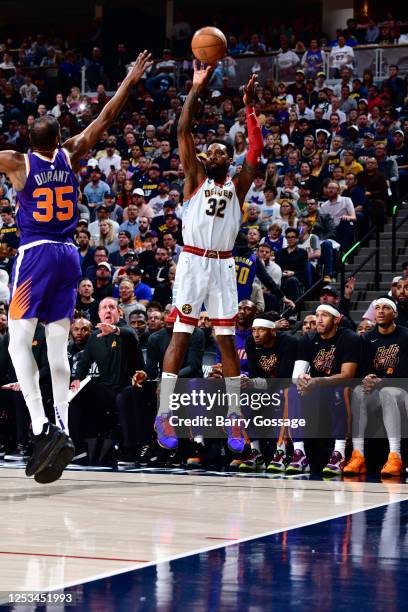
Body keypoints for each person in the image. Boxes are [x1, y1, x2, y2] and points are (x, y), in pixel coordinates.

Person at [0, 50, 152, 484]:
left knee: (18, 343)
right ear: (59, 136)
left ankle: (38, 426)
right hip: (70, 255)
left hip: (37, 253)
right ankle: (63, 425)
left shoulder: (18, 162)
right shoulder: (71, 152)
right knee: (57, 345)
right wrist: (129, 80)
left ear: (30, 140)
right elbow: (106, 116)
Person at [155, 65, 263, 454]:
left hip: (223, 266)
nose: (215, 152)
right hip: (193, 262)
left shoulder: (238, 184)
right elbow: (183, 130)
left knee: (227, 344)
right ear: (203, 156)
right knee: (181, 337)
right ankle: (164, 413)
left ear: (229, 159)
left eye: (222, 150)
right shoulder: (194, 178)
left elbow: (255, 151)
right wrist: (196, 89)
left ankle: (235, 418)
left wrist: (249, 109)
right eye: (211, 149)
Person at [289, 303, 360, 475]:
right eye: (317, 315)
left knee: (338, 391)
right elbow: (296, 375)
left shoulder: (349, 338)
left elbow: (347, 375)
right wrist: (303, 380)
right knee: (292, 392)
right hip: (317, 387)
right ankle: (299, 453)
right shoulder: (308, 339)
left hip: (341, 387)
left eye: (325, 315)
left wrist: (316, 381)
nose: (319, 319)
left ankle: (339, 452)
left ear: (337, 319)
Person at [344, 298, 408, 477]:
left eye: (386, 308)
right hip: (376, 390)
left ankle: (395, 456)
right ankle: (358, 456)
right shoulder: (367, 338)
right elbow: (362, 369)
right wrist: (367, 379)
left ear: (394, 313)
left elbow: (404, 371)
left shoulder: (405, 336)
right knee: (358, 391)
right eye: (377, 308)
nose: (380, 311)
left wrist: (382, 381)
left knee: (387, 392)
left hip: (400, 389)